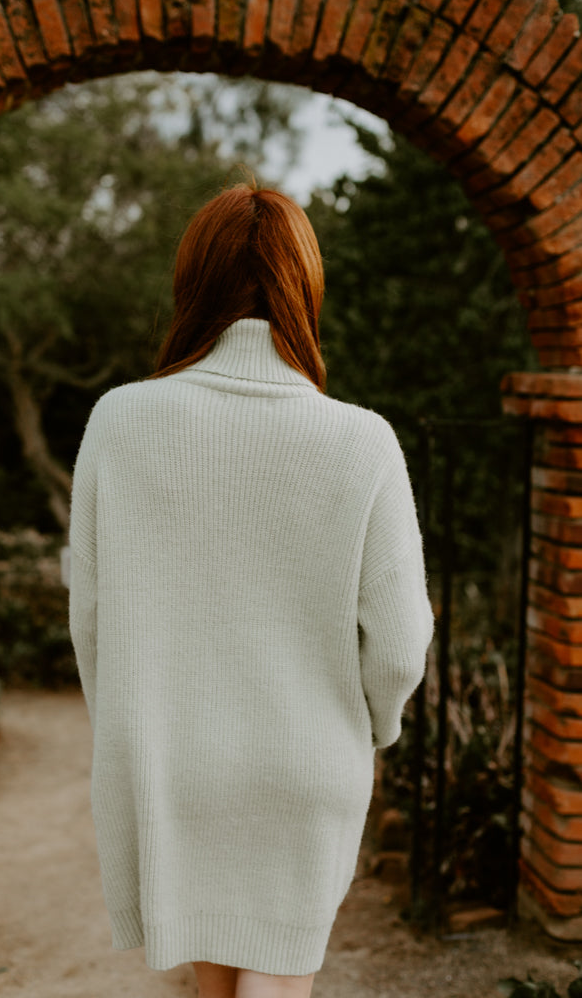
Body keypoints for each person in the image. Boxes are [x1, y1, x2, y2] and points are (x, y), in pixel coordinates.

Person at [69, 181, 434, 998]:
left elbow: (90, 618)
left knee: (217, 987)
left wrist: (133, 730)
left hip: (169, 762)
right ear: (306, 288)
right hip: (307, 766)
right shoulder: (362, 441)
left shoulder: (118, 421)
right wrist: (365, 730)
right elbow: (402, 642)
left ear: (189, 286)